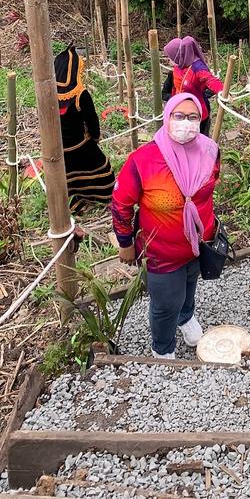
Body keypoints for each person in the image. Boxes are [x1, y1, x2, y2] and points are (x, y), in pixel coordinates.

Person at [112, 92, 220, 359]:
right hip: (160, 251)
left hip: (198, 244)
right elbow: (121, 204)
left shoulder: (210, 151)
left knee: (190, 285)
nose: (186, 123)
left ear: (201, 120)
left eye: (193, 117)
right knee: (165, 303)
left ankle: (186, 318)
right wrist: (125, 243)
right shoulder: (143, 160)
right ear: (167, 117)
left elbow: (207, 193)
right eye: (179, 116)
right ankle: (162, 348)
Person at [54, 45, 115, 214]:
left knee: (66, 181)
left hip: (59, 152)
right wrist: (94, 138)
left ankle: (76, 205)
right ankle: (100, 198)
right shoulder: (81, 95)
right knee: (104, 170)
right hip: (81, 146)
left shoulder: (48, 93)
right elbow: (92, 120)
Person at [162, 36, 224, 137]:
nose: (169, 60)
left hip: (198, 112)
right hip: (179, 109)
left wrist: (222, 91)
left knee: (199, 139)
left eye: (171, 57)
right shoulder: (179, 65)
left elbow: (210, 80)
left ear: (179, 55)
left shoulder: (197, 68)